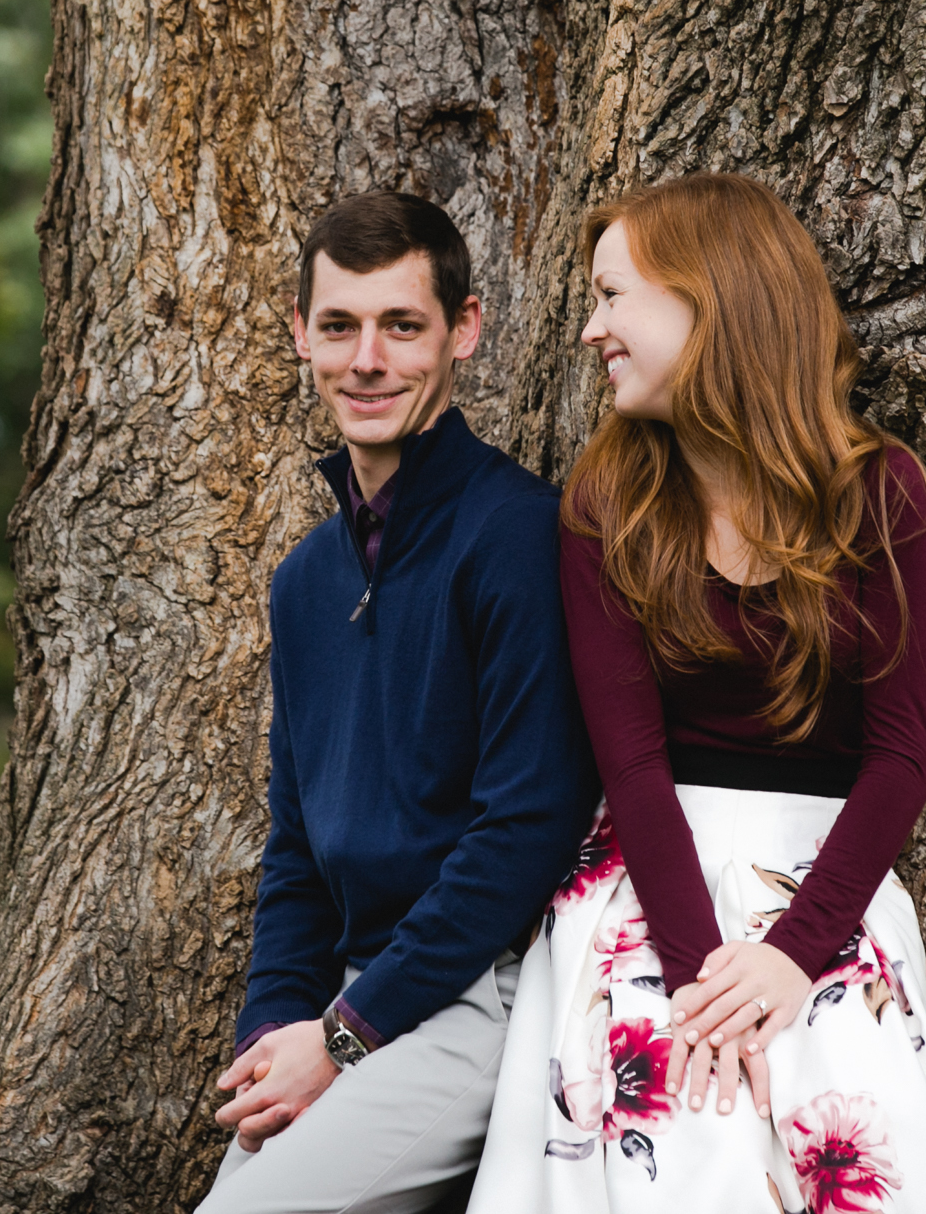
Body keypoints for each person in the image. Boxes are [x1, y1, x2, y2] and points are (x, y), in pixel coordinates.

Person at [470, 173, 926, 1212]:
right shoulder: (611, 499)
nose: (590, 328)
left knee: (866, 1137)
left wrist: (786, 960)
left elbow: (902, 753)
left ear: (707, 296)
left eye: (611, 294)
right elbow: (628, 759)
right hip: (651, 884)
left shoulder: (879, 489)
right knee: (687, 1148)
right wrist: (695, 983)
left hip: (824, 892)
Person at [201, 190, 599, 1214]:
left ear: (462, 331)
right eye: (338, 324)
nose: (366, 358)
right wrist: (274, 1027)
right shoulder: (304, 580)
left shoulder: (515, 535)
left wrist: (341, 1036)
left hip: (479, 1000)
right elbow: (296, 843)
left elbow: (524, 830)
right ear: (300, 334)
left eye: (401, 325)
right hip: (347, 1005)